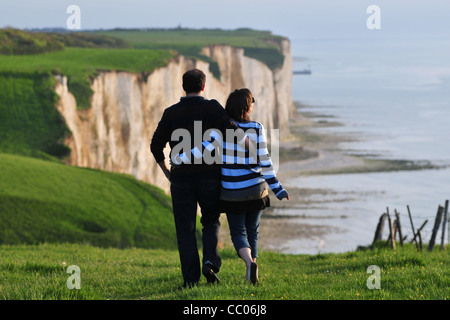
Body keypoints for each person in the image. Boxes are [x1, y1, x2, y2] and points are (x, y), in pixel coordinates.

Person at [172, 88, 290, 285]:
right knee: (253, 231)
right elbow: (265, 160)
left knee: (238, 233)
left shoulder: (221, 130)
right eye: (252, 101)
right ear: (247, 106)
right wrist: (277, 188)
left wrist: (179, 158)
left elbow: (202, 150)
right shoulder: (256, 128)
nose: (253, 105)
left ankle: (249, 263)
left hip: (232, 193)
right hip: (256, 189)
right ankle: (251, 267)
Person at [150, 69, 247, 289]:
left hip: (181, 179)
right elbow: (233, 132)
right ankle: (210, 262)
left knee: (185, 228)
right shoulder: (211, 107)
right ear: (203, 86)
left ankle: (190, 279)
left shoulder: (170, 113)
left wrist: (167, 171)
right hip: (209, 177)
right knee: (211, 220)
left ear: (183, 86)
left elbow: (156, 146)